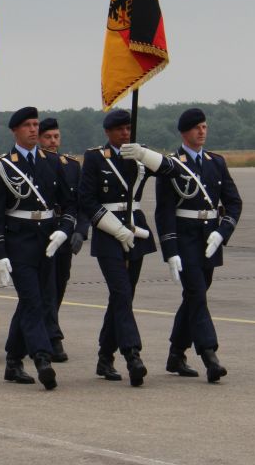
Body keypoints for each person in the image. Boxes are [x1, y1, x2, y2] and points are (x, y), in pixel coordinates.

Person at [145, 108, 243, 382]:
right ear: (184, 133)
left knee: (193, 297)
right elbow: (164, 212)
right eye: (197, 128)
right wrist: (170, 251)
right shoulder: (172, 164)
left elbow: (234, 202)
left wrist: (223, 232)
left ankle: (176, 353)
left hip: (209, 239)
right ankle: (210, 354)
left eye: (204, 127)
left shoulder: (216, 163)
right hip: (185, 238)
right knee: (197, 294)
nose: (202, 131)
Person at [79, 109, 174, 387]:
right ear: (108, 132)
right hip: (109, 232)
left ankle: (105, 356)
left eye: (128, 128)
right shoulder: (96, 157)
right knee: (120, 292)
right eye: (119, 129)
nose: (125, 133)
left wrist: (145, 155)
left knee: (123, 297)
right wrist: (113, 228)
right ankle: (132, 354)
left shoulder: (140, 154)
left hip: (136, 229)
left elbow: (171, 170)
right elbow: (86, 199)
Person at [0, 107, 75, 390]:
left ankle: (13, 360)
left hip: (48, 242)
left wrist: (64, 230)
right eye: (27, 125)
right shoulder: (2, 166)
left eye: (36, 124)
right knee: (34, 301)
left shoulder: (53, 162)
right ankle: (42, 357)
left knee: (35, 301)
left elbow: (70, 204)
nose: (34, 130)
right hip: (19, 243)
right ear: (15, 130)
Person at [38, 117, 89, 362]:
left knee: (60, 282)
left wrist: (80, 230)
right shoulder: (31, 163)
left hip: (64, 229)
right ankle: (52, 336)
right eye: (47, 137)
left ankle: (46, 327)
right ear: (38, 138)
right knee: (44, 285)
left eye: (56, 137)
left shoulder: (71, 166)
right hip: (40, 230)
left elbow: (80, 202)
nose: (52, 142)